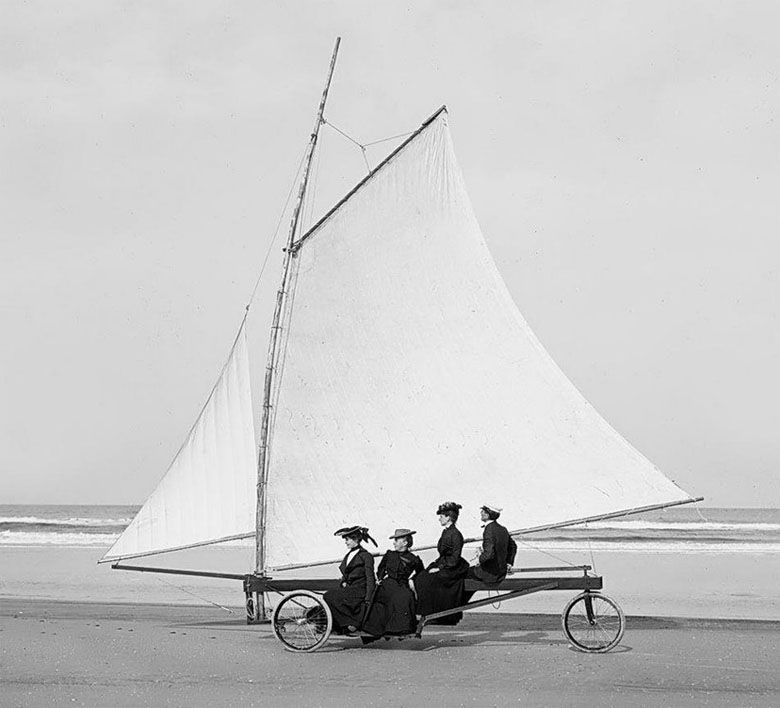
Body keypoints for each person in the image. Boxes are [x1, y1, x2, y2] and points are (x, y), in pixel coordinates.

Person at [362, 528, 425, 642]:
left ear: (405, 543)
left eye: (397, 540)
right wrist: (380, 578)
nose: (394, 542)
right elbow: (381, 568)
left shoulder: (414, 559)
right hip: (388, 584)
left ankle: (400, 629)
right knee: (390, 597)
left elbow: (421, 574)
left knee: (406, 597)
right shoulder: (389, 554)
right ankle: (384, 629)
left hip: (402, 584)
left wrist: (412, 580)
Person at [414, 502, 469, 625]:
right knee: (421, 576)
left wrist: (439, 568)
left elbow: (455, 558)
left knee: (429, 579)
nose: (440, 518)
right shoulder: (447, 532)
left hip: (452, 567)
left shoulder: (455, 534)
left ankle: (433, 615)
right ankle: (427, 613)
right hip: (445, 563)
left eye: (442, 516)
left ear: (448, 517)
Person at [322, 525, 378, 634]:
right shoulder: (349, 555)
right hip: (351, 589)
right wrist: (343, 582)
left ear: (356, 539)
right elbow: (347, 573)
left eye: (347, 539)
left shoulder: (365, 556)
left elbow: (370, 577)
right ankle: (343, 624)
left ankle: (352, 623)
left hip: (361, 590)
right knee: (329, 596)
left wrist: (369, 596)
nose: (346, 542)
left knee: (329, 595)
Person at [466, 504, 518, 584]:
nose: (481, 513)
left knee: (461, 574)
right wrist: (509, 563)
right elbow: (513, 547)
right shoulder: (503, 529)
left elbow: (489, 554)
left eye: (483, 511)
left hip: (489, 574)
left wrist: (479, 559)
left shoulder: (489, 529)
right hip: (501, 574)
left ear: (488, 514)